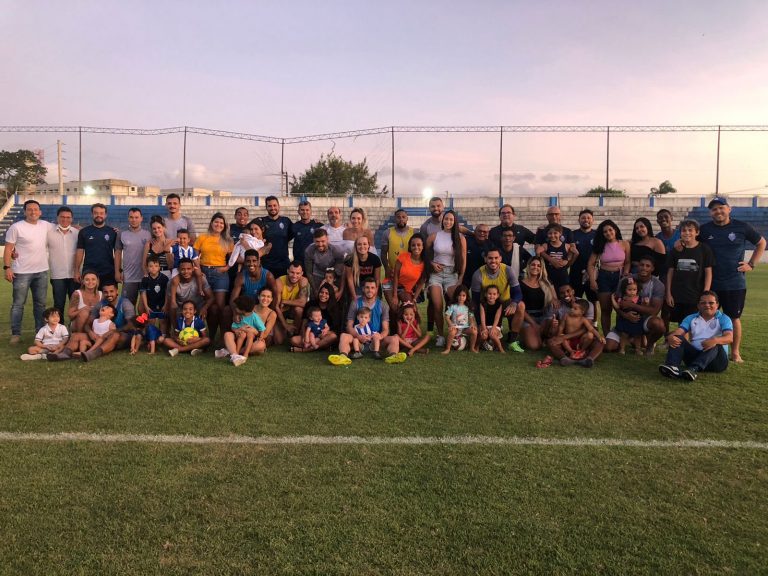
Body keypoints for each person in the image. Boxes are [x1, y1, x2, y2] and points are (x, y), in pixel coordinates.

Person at [697, 196, 765, 363]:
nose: (718, 211)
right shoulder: (705, 230)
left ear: (729, 209)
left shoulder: (741, 227)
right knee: (705, 316)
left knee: (733, 318)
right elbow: (691, 242)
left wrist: (751, 264)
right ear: (710, 213)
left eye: (721, 207)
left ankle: (735, 352)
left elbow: (762, 243)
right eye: (714, 209)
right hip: (710, 282)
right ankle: (701, 347)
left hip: (734, 283)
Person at [48, 280, 136, 362]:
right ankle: (65, 354)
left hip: (122, 336)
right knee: (76, 335)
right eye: (105, 292)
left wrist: (112, 332)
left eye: (111, 291)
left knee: (114, 335)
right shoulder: (101, 304)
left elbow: (130, 325)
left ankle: (93, 354)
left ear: (117, 291)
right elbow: (88, 324)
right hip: (100, 337)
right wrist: (91, 333)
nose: (109, 294)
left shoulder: (125, 304)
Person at [658, 291, 733, 381]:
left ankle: (693, 369)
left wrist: (714, 340)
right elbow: (679, 331)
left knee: (716, 344)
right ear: (698, 305)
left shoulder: (724, 318)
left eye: (711, 303)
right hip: (695, 356)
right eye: (703, 303)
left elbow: (729, 338)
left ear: (717, 304)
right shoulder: (691, 318)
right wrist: (670, 337)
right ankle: (672, 367)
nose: (707, 305)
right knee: (677, 337)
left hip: (717, 361)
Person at [4, 199, 50, 344]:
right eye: (29, 209)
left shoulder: (46, 225)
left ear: (40, 212)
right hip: (21, 272)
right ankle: (16, 334)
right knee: (18, 304)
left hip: (41, 272)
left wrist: (79, 229)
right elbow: (8, 249)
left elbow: (63, 226)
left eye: (35, 209)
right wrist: (7, 267)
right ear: (25, 212)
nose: (33, 212)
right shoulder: (16, 227)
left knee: (40, 304)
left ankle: (40, 332)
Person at [330, 277, 406, 365]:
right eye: (367, 287)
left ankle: (393, 356)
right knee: (344, 336)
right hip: (358, 342)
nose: (370, 290)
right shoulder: (355, 303)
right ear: (363, 289)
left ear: (377, 289)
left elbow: (386, 329)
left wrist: (379, 336)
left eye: (372, 288)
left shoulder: (383, 305)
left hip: (376, 342)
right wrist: (358, 336)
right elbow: (349, 326)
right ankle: (342, 357)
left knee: (395, 338)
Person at [604, 256, 666, 354]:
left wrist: (632, 305)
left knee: (659, 325)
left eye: (648, 266)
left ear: (653, 268)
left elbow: (654, 311)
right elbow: (618, 303)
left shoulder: (658, 285)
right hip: (624, 319)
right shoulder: (626, 280)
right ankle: (630, 339)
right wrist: (625, 315)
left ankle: (649, 345)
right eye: (642, 265)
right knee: (609, 347)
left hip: (644, 320)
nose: (644, 268)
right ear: (638, 266)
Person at [470, 249, 525, 352]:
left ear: (500, 258)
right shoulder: (478, 274)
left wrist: (514, 303)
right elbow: (475, 301)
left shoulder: (508, 270)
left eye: (496, 258)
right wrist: (480, 325)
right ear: (485, 259)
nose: (493, 261)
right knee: (483, 336)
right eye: (490, 258)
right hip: (485, 306)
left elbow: (518, 293)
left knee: (520, 305)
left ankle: (512, 341)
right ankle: (487, 334)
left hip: (504, 304)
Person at [426, 209, 467, 346]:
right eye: (446, 219)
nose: (448, 221)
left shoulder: (460, 238)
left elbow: (463, 259)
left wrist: (460, 278)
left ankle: (458, 333)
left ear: (455, 221)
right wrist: (431, 263)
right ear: (442, 220)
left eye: (451, 219)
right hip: (436, 274)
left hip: (451, 274)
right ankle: (440, 336)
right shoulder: (434, 236)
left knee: (457, 303)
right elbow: (424, 255)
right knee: (438, 305)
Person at [193, 212, 234, 340]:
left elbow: (233, 257)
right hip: (204, 272)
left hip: (220, 274)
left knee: (219, 307)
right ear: (211, 223)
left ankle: (222, 336)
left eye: (221, 223)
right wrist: (199, 270)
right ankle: (209, 335)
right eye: (216, 222)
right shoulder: (202, 237)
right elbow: (194, 256)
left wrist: (226, 268)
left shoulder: (227, 240)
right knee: (207, 306)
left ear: (224, 225)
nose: (218, 224)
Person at [587, 220, 631, 337]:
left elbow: (627, 262)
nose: (608, 233)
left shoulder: (624, 244)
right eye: (605, 231)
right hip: (604, 277)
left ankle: (619, 333)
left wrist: (626, 273)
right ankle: (607, 335)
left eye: (610, 230)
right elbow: (590, 264)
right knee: (606, 308)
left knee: (620, 307)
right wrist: (592, 280)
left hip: (620, 277)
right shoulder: (600, 246)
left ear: (615, 230)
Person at [665, 219, 714, 326]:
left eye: (690, 230)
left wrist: (705, 293)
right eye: (684, 230)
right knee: (682, 323)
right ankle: (682, 342)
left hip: (695, 294)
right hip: (678, 294)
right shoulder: (675, 250)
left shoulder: (704, 249)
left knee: (694, 323)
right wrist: (668, 293)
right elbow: (670, 272)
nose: (687, 233)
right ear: (680, 233)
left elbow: (708, 272)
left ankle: (691, 342)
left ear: (697, 232)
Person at [546, 284, 604, 367]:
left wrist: (599, 336)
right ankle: (565, 358)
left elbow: (589, 328)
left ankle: (588, 359)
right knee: (551, 342)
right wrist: (558, 334)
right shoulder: (563, 312)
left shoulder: (585, 305)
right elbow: (561, 327)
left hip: (581, 339)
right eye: (562, 293)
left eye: (568, 291)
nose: (565, 294)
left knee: (600, 342)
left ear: (573, 291)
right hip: (567, 340)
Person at [215, 295, 266, 366]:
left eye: (237, 307)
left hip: (250, 339)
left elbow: (262, 328)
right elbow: (233, 327)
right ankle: (235, 356)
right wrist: (237, 331)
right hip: (238, 336)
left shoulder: (254, 317)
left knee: (260, 344)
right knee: (228, 334)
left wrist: (261, 337)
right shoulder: (239, 316)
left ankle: (232, 352)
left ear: (243, 309)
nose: (235, 309)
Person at [74, 203, 118, 286]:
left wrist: (118, 271)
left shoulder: (113, 232)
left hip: (108, 272)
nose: (99, 215)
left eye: (101, 213)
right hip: (89, 272)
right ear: (92, 214)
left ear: (105, 215)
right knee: (90, 298)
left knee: (108, 298)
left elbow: (117, 253)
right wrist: (76, 271)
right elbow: (80, 252)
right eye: (96, 213)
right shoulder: (84, 232)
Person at [289, 282, 339, 353]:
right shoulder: (311, 304)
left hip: (323, 335)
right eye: (321, 292)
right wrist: (304, 337)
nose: (323, 295)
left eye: (326, 293)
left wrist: (326, 331)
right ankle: (322, 346)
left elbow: (334, 329)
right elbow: (304, 323)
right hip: (310, 333)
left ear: (330, 295)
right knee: (293, 340)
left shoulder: (334, 307)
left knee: (333, 336)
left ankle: (305, 350)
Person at [519, 257, 557, 351]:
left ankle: (543, 336)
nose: (535, 267)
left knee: (554, 326)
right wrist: (533, 323)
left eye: (539, 266)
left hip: (543, 317)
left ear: (541, 268)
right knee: (534, 346)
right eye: (533, 265)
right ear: (528, 266)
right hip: (527, 317)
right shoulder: (520, 284)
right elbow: (518, 307)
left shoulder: (546, 283)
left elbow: (554, 301)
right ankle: (527, 336)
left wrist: (553, 301)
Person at [115, 207, 151, 305]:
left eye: (136, 217)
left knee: (144, 308)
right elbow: (117, 253)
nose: (134, 220)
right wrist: (117, 271)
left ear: (141, 218)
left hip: (145, 276)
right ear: (128, 218)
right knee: (128, 307)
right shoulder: (122, 234)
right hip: (129, 277)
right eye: (131, 217)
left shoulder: (148, 234)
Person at [47, 206, 79, 315]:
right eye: (62, 217)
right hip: (57, 276)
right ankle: (59, 330)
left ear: (72, 219)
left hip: (75, 276)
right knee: (59, 304)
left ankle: (74, 329)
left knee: (75, 306)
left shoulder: (77, 233)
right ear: (57, 218)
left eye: (68, 217)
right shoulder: (49, 233)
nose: (65, 219)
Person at [168, 258, 213, 330]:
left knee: (214, 309)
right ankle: (176, 331)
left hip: (198, 306)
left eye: (188, 269)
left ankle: (210, 337)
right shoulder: (172, 282)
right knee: (171, 308)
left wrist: (205, 308)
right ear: (178, 270)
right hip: (182, 308)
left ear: (193, 269)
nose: (186, 272)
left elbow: (211, 297)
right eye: (183, 269)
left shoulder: (200, 279)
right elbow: (171, 302)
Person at [256, 195, 294, 279]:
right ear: (266, 207)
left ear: (279, 206)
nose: (272, 208)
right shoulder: (261, 221)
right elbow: (248, 230)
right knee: (267, 290)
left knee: (280, 290)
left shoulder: (286, 221)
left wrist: (314, 222)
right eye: (269, 206)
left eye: (274, 205)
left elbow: (294, 233)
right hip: (266, 264)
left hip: (283, 263)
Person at [274, 260, 310, 344]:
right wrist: (285, 325)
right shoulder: (279, 282)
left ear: (302, 273)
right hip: (281, 312)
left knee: (299, 309)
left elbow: (303, 303)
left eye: (298, 273)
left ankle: (294, 333)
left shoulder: (303, 281)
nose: (294, 276)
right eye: (292, 272)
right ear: (287, 271)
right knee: (278, 341)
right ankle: (286, 328)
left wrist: (284, 301)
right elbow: (276, 306)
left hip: (292, 310)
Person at [138, 255, 170, 349]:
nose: (153, 268)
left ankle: (163, 338)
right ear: (147, 267)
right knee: (151, 321)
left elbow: (167, 293)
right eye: (151, 266)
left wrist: (165, 304)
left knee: (163, 321)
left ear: (159, 267)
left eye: (156, 266)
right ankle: (151, 339)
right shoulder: (145, 279)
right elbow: (143, 293)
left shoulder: (164, 278)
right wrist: (146, 306)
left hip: (161, 304)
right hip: (151, 305)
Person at [389, 233, 427, 312]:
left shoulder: (424, 264)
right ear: (410, 247)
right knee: (394, 308)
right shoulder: (403, 257)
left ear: (423, 246)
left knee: (413, 310)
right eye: (413, 245)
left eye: (419, 245)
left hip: (406, 290)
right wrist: (395, 295)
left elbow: (420, 284)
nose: (416, 247)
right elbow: (395, 276)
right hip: (392, 285)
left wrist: (414, 299)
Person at [304, 228, 345, 296]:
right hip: (317, 276)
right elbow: (309, 272)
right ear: (313, 240)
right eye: (317, 241)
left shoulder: (336, 250)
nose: (320, 244)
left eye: (323, 241)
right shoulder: (309, 250)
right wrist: (315, 290)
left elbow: (341, 268)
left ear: (327, 239)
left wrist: (331, 280)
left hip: (332, 275)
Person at [381, 208, 413, 294]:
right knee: (393, 305)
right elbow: (383, 253)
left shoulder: (413, 232)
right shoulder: (387, 233)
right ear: (395, 218)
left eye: (403, 217)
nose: (401, 219)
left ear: (407, 218)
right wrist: (387, 268)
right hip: (392, 273)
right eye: (398, 217)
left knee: (408, 303)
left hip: (408, 274)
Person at [537, 224, 577, 291]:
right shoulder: (546, 245)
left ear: (560, 233)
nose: (552, 235)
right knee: (550, 295)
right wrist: (539, 252)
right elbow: (538, 252)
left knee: (563, 293)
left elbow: (572, 252)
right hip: (549, 275)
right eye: (550, 233)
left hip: (563, 276)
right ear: (547, 234)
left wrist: (566, 260)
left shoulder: (566, 246)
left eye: (555, 233)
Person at [611, 277, 644, 355]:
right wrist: (612, 299)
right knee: (624, 334)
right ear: (624, 290)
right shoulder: (622, 299)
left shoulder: (639, 298)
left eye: (634, 290)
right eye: (629, 290)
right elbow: (617, 307)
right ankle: (622, 349)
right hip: (625, 320)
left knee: (638, 335)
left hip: (637, 320)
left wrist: (646, 302)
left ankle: (637, 349)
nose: (632, 292)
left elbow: (643, 307)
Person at [442, 285, 478, 355]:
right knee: (452, 332)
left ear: (466, 296)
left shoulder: (468, 306)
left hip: (465, 328)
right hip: (455, 327)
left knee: (474, 331)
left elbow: (471, 317)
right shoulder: (453, 306)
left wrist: (472, 324)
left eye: (463, 295)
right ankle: (448, 348)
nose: (461, 297)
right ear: (456, 296)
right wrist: (451, 325)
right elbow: (447, 317)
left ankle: (472, 348)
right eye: (459, 295)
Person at [570, 209, 597, 302]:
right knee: (575, 300)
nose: (586, 220)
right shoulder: (572, 235)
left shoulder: (598, 235)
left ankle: (593, 317)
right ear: (579, 220)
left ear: (593, 220)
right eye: (583, 218)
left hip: (593, 274)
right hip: (576, 273)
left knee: (593, 301)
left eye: (589, 218)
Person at [292, 200, 323, 264]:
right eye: (302, 210)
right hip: (299, 262)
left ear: (311, 211)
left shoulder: (318, 225)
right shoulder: (294, 226)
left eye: (307, 210)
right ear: (298, 212)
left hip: (314, 262)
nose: (305, 212)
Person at [478, 285, 504, 353]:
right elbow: (482, 316)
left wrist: (493, 328)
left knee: (492, 335)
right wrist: (484, 328)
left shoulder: (499, 304)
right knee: (484, 336)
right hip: (485, 325)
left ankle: (500, 348)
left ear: (498, 295)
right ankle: (477, 346)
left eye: (494, 294)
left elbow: (497, 317)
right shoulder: (482, 303)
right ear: (485, 294)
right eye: (489, 294)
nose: (492, 296)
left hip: (495, 325)